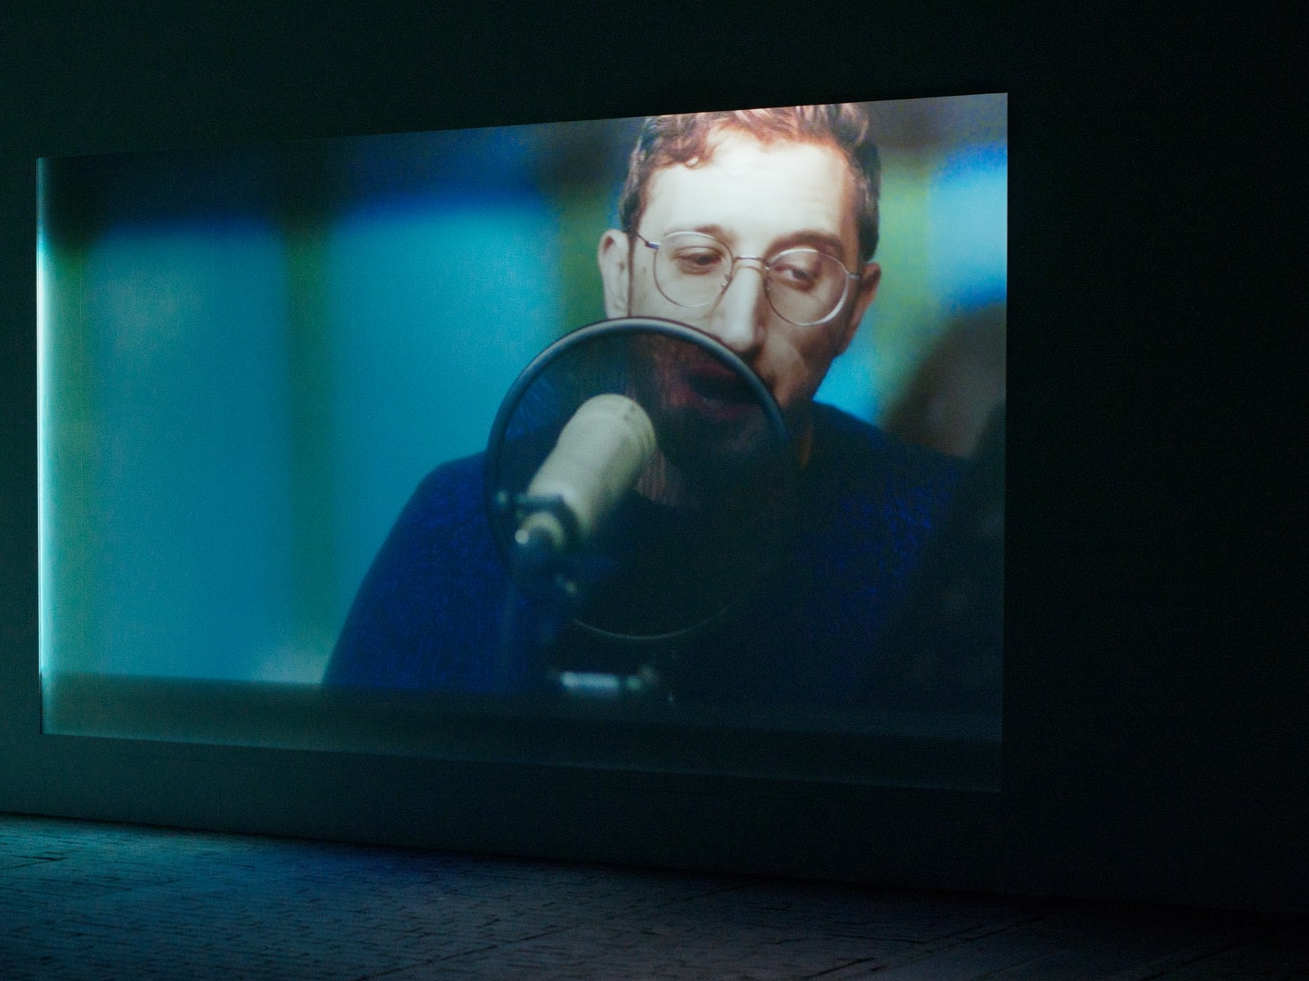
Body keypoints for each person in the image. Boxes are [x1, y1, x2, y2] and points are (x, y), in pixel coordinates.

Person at [323, 105, 985, 711]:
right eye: (696, 259)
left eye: (799, 273)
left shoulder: (943, 537)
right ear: (619, 276)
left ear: (855, 310)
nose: (737, 328)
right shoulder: (459, 528)